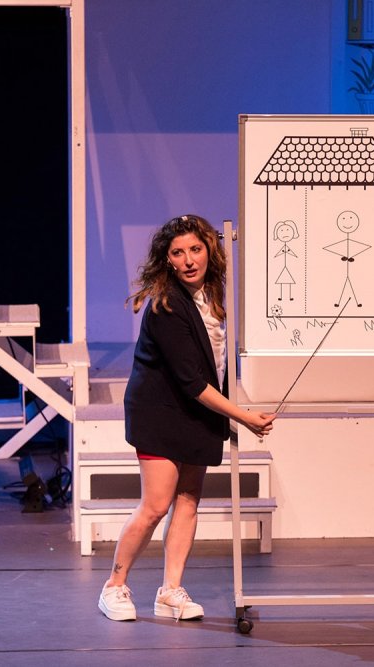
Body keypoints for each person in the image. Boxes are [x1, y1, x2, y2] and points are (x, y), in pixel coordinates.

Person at [98, 214, 276, 622]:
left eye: (195, 249)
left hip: (198, 412)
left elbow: (215, 365)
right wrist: (244, 417)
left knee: (188, 501)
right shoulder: (167, 305)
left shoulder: (213, 297)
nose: (189, 260)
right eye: (178, 253)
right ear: (168, 260)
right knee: (155, 505)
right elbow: (192, 381)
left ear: (209, 250)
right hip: (160, 412)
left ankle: (170, 591)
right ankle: (114, 586)